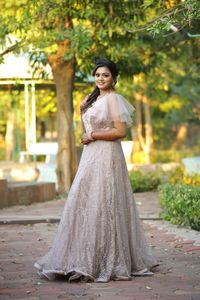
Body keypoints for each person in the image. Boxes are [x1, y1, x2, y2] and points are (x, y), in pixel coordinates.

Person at [34, 58, 157, 282]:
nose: (101, 78)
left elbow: (120, 131)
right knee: (85, 201)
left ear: (113, 78)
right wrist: (83, 112)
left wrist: (93, 135)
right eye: (98, 74)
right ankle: (83, 254)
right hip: (91, 156)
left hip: (108, 155)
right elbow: (87, 130)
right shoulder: (93, 99)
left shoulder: (113, 99)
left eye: (106, 75)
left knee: (104, 202)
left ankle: (106, 258)